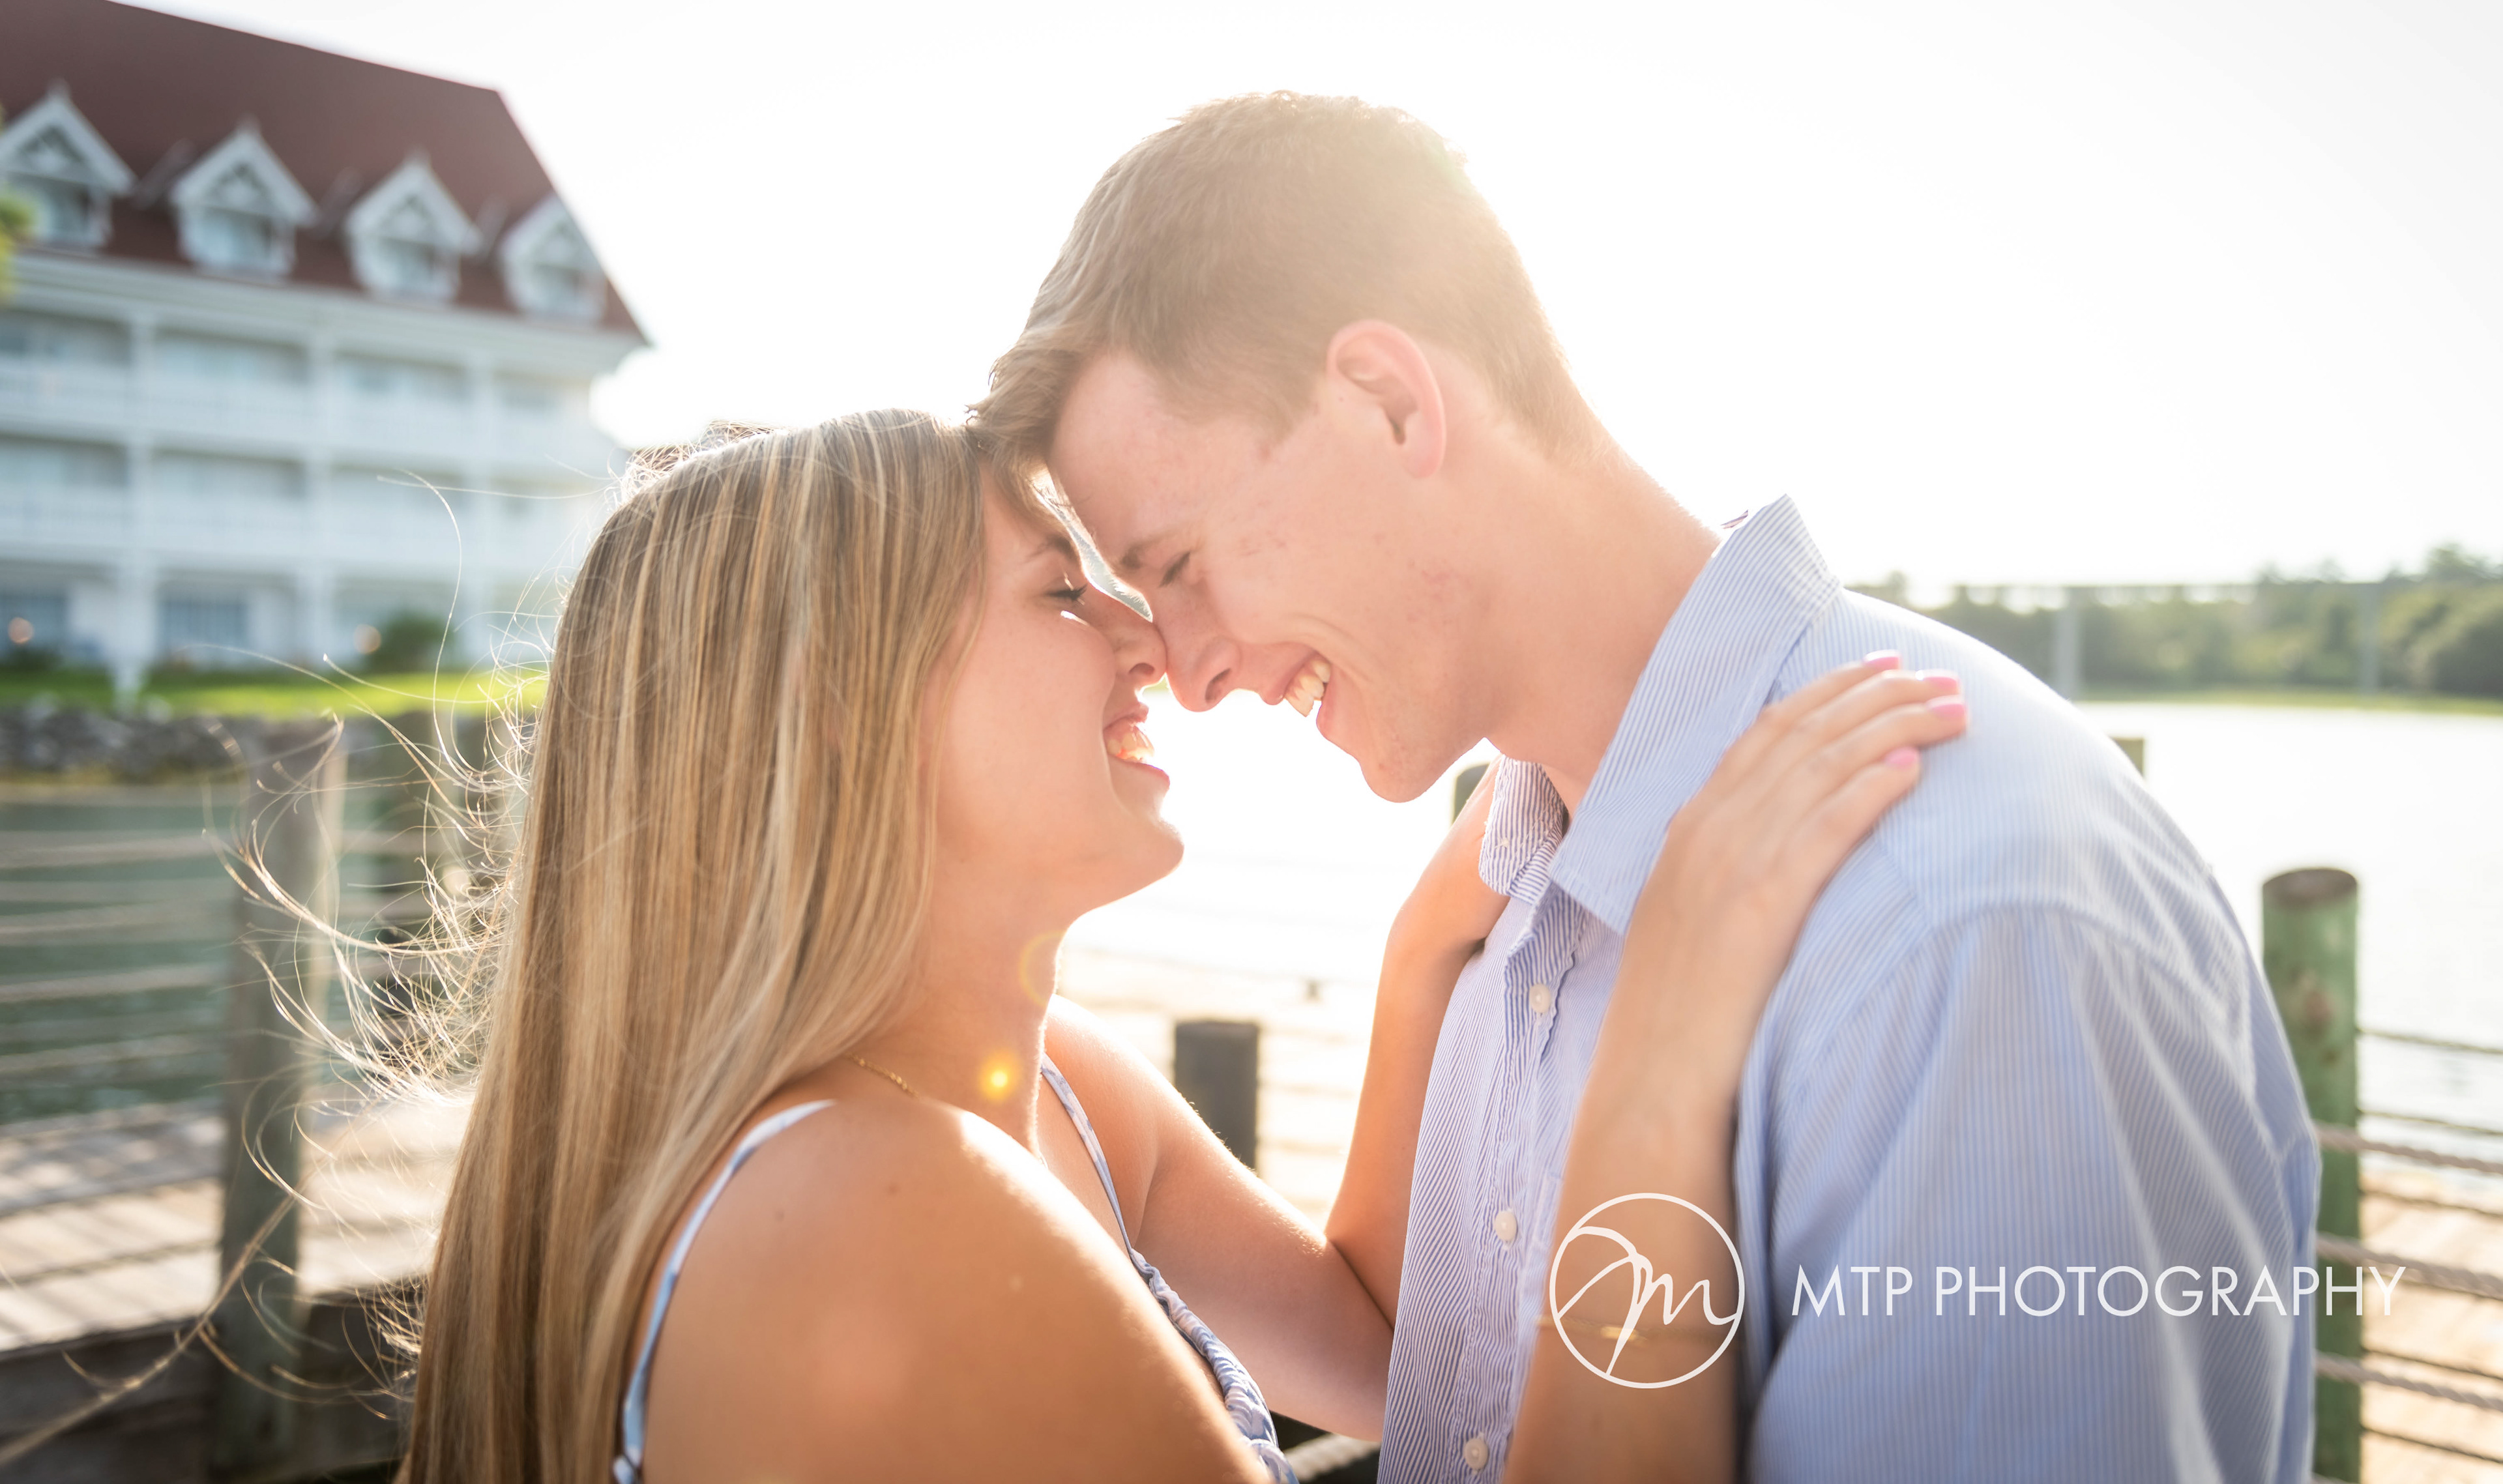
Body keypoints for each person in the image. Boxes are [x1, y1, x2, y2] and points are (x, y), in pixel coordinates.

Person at [969, 92, 2321, 1481]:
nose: (1187, 675)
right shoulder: (1515, 911)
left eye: (1180, 565)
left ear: (1390, 401)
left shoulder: (1962, 923)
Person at [397, 411, 1962, 1483]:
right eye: (1058, 589)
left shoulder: (1049, 1091)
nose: (1151, 638)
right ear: (844, 715)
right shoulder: (871, 1204)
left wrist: (1428, 955)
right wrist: (1664, 1056)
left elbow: (1375, 1341)